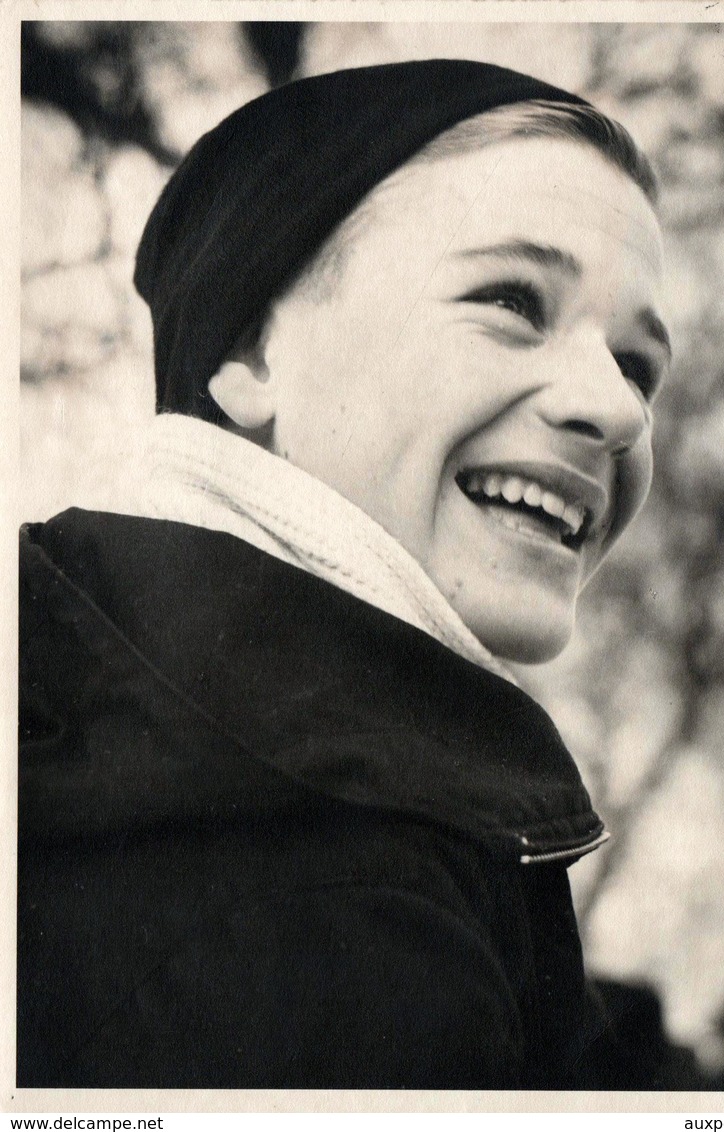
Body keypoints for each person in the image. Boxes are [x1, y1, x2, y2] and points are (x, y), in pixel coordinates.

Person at [18, 59, 672, 1089]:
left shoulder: (130, 718)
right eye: (511, 298)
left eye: (638, 365)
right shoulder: (328, 913)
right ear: (252, 350)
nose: (621, 409)